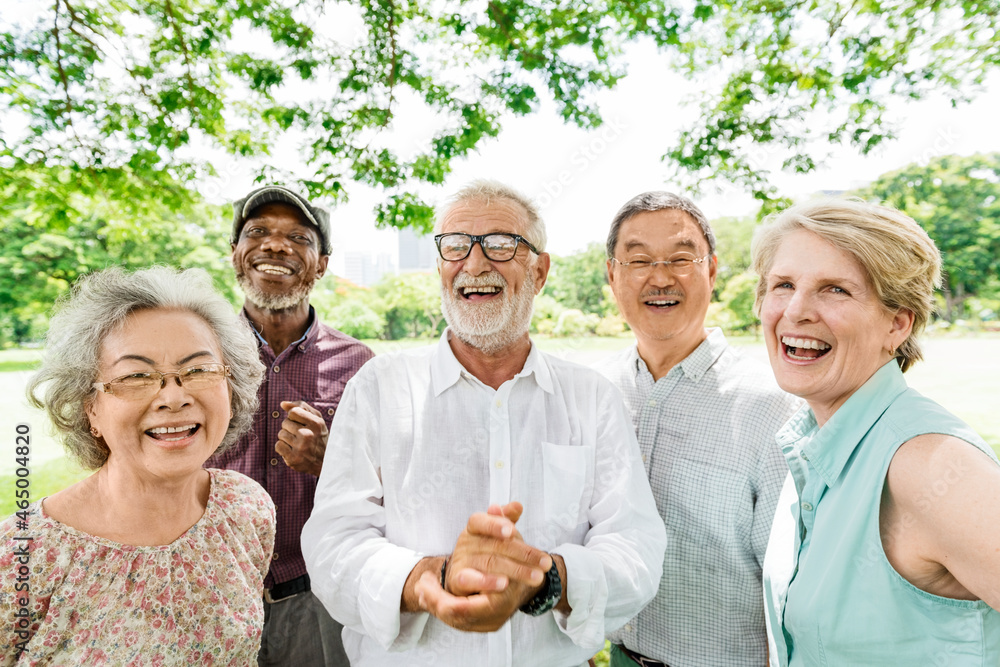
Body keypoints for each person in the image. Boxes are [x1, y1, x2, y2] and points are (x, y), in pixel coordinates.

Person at [302, 180, 666, 667]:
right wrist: (431, 580)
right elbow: (333, 544)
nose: (475, 264)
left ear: (539, 271)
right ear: (439, 267)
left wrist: (545, 579)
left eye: (501, 244)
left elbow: (635, 546)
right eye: (456, 246)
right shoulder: (379, 387)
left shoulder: (591, 397)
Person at [753, 199, 1000, 665]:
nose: (797, 310)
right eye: (783, 285)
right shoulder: (813, 445)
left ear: (897, 323)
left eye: (835, 290)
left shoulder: (928, 463)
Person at [0, 266, 273, 665]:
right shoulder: (22, 555)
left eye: (198, 370)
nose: (173, 397)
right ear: (90, 407)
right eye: (136, 376)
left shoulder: (245, 508)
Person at [598, 191, 802, 667]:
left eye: (681, 258)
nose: (660, 277)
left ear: (711, 270)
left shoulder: (772, 404)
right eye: (639, 260)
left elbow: (790, 582)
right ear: (612, 275)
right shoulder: (595, 393)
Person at [208, 185, 375, 666]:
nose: (275, 246)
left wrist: (331, 460)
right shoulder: (197, 353)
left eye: (297, 237)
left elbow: (393, 490)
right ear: (235, 255)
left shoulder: (360, 364)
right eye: (257, 232)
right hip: (212, 589)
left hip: (317, 596)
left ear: (321, 263)